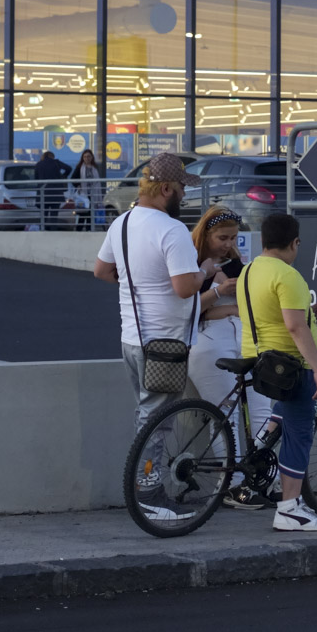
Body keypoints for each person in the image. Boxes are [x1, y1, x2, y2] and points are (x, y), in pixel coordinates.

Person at [93, 152, 219, 519]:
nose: (184, 195)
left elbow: (102, 270)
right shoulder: (171, 229)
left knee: (148, 415)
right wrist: (206, 270)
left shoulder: (124, 223)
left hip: (132, 338)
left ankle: (144, 487)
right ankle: (148, 493)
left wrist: (141, 282)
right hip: (165, 343)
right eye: (181, 188)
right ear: (166, 189)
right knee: (157, 422)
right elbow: (184, 288)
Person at [238, 212, 317, 532]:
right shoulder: (289, 275)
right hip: (289, 366)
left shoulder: (249, 271)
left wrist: (310, 310)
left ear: (263, 240)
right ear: (295, 243)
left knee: (283, 415)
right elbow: (293, 327)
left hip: (256, 359)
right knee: (300, 433)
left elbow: (273, 313)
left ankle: (260, 455)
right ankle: (290, 509)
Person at [187, 205, 280, 511]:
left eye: (234, 237)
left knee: (264, 408)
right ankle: (231, 485)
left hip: (244, 338)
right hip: (207, 339)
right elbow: (183, 310)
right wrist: (222, 299)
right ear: (206, 234)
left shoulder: (238, 263)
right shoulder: (192, 262)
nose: (228, 243)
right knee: (225, 414)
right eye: (222, 237)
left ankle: (267, 479)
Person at [33, 150, 66, 229]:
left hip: (43, 193)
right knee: (54, 216)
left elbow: (36, 178)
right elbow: (69, 168)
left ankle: (43, 231)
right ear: (52, 156)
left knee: (43, 216)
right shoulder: (56, 163)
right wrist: (62, 177)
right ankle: (53, 231)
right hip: (56, 193)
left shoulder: (39, 164)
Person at [72, 149, 102, 232]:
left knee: (91, 213)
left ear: (92, 157)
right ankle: (79, 230)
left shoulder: (95, 168)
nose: (87, 158)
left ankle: (89, 229)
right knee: (83, 213)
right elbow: (73, 178)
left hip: (93, 193)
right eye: (85, 157)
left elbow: (97, 181)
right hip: (83, 194)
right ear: (82, 158)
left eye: (88, 156)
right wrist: (78, 185)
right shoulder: (79, 168)